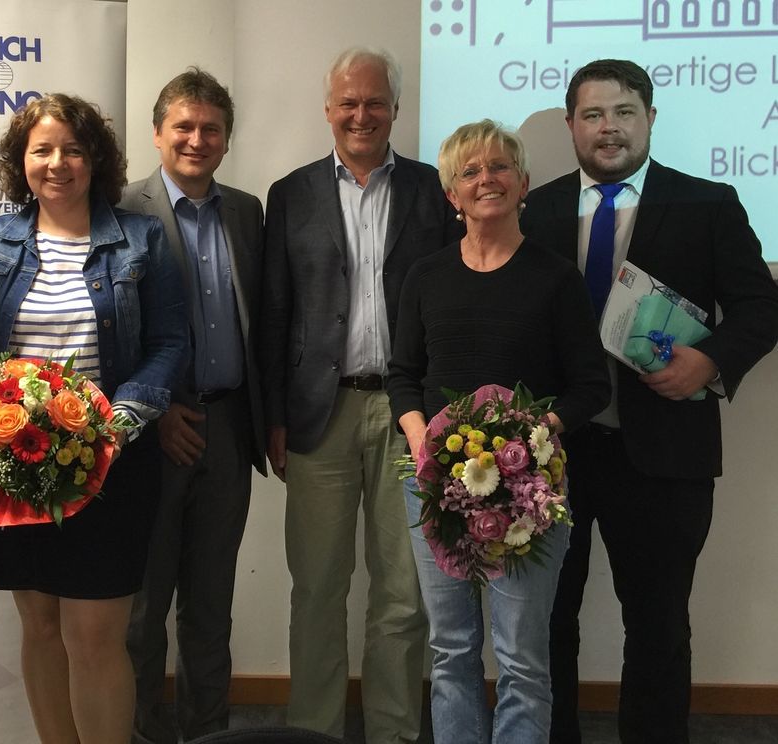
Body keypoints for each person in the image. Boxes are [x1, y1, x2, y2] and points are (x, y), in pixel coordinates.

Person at [520, 59, 778, 744]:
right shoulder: (535, 210)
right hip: (550, 456)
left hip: (666, 453)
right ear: (571, 125)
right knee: (546, 622)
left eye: (624, 112)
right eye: (593, 114)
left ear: (650, 118)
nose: (609, 128)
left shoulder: (708, 203)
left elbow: (760, 307)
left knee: (658, 625)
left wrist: (709, 361)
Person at [0, 93, 188, 744]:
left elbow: (170, 343)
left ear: (95, 159)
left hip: (110, 463)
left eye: (72, 149)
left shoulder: (141, 238)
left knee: (94, 636)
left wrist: (118, 423)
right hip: (17, 462)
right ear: (21, 161)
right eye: (41, 150)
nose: (56, 163)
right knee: (40, 629)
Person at [387, 120, 610, 744]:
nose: (486, 179)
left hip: (528, 487)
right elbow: (403, 376)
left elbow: (591, 386)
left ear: (524, 184)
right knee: (451, 648)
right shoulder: (425, 276)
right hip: (434, 485)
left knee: (521, 657)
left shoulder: (556, 278)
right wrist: (422, 441)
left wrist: (531, 437)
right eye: (470, 171)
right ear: (451, 195)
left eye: (499, 167)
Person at [259, 46, 458, 743]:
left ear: (395, 109)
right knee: (317, 588)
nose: (361, 114)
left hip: (411, 415)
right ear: (328, 110)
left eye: (374, 102)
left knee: (403, 593)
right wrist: (274, 419)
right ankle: (313, 731)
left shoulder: (434, 190)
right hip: (319, 415)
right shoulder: (291, 194)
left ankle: (393, 733)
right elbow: (275, 313)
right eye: (348, 102)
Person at [119, 68, 266, 743]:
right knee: (142, 611)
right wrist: (155, 411)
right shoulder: (121, 210)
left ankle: (209, 733)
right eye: (183, 126)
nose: (196, 139)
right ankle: (143, 733)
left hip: (228, 427)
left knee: (211, 605)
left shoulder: (247, 212)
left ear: (226, 139)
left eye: (211, 128)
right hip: (151, 435)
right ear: (157, 133)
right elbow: (107, 332)